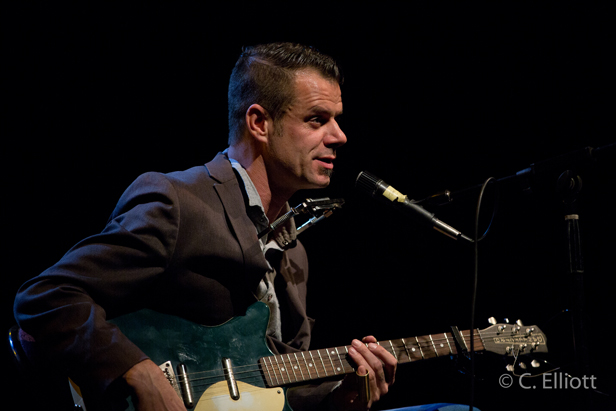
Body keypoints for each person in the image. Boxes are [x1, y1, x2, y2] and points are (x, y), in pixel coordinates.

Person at [14, 42, 397, 411]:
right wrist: (139, 372)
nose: (339, 136)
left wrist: (338, 398)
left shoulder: (294, 251)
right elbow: (46, 296)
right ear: (259, 123)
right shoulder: (179, 202)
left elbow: (273, 390)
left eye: (336, 120)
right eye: (317, 119)